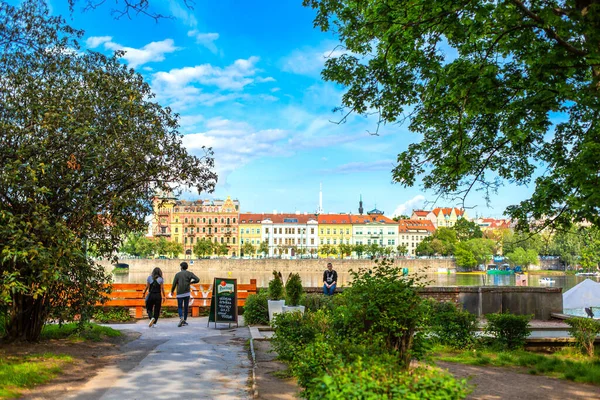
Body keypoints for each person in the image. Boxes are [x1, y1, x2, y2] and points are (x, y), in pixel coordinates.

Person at [170, 261, 200, 327]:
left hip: (179, 293)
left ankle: (181, 318)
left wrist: (172, 291)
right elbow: (197, 279)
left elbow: (174, 284)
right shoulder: (190, 273)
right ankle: (185, 321)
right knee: (186, 307)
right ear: (186, 267)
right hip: (187, 293)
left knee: (180, 307)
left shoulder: (177, 274)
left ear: (181, 267)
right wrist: (192, 282)